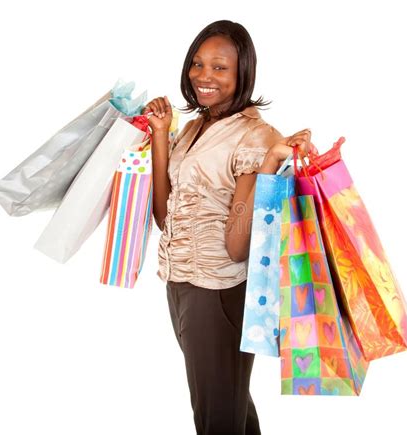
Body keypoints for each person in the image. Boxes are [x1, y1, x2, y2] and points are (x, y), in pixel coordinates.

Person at [143, 20, 312, 435]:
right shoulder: (196, 127)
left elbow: (238, 247)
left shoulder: (255, 137)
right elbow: (165, 217)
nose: (204, 76)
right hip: (180, 283)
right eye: (197, 65)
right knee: (228, 404)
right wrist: (162, 136)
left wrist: (269, 165)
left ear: (243, 73)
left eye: (219, 68)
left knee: (216, 415)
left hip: (218, 292)